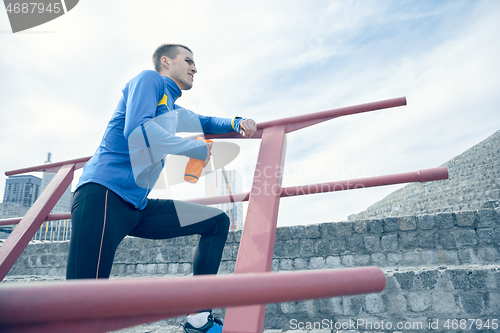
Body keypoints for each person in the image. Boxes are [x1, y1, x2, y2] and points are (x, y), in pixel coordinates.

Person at [66, 44, 257, 333]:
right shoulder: (149, 80)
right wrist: (194, 149)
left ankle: (198, 319)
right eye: (189, 60)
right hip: (103, 196)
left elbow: (205, 122)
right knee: (81, 305)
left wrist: (236, 121)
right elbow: (138, 131)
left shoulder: (173, 109)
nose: (195, 68)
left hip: (137, 206)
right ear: (165, 62)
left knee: (216, 222)